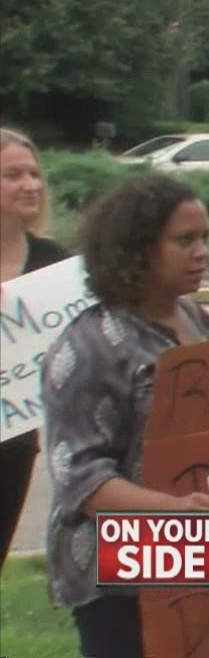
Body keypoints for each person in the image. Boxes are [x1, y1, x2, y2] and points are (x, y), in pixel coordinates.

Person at [40, 174, 209, 658]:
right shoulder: (88, 346)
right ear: (136, 250)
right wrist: (168, 508)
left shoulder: (196, 319)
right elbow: (80, 480)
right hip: (120, 574)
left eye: (205, 238)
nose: (202, 252)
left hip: (196, 554)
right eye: (184, 241)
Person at [0, 127, 68, 575]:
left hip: (14, 446)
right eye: (12, 174)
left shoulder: (52, 260)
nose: (31, 184)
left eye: (34, 173)